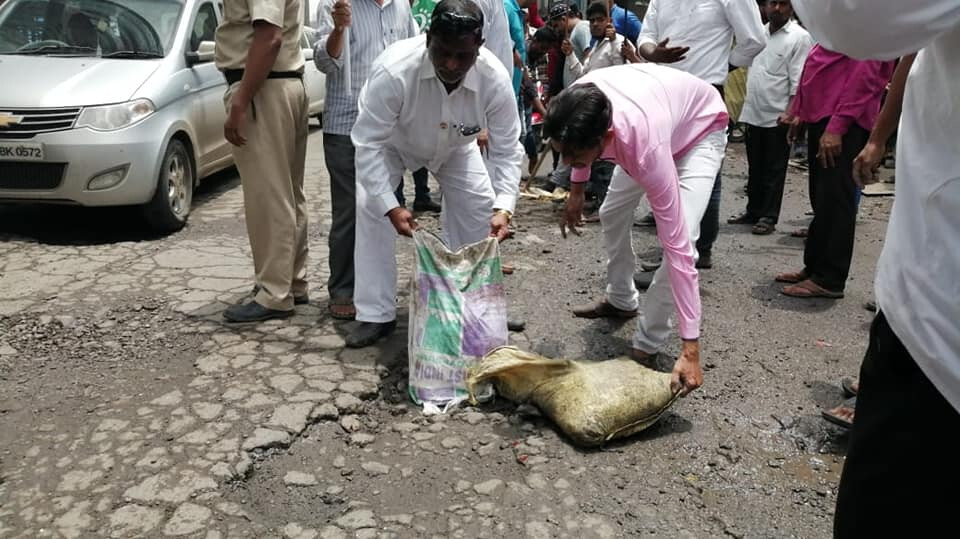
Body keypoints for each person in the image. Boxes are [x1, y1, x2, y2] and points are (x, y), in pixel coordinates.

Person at [789, 2, 959, 536]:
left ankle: (827, 277)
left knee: (837, 208)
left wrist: (854, 130)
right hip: (932, 299)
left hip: (938, 332)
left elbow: (855, 25)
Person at [347, 0, 524, 348]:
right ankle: (374, 314)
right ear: (428, 37)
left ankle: (476, 308)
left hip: (457, 146)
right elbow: (367, 144)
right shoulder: (394, 71)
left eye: (463, 56)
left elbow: (507, 149)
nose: (450, 64)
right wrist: (391, 205)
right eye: (441, 52)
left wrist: (505, 206)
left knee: (479, 209)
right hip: (392, 143)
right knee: (370, 206)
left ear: (480, 47)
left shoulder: (495, 78)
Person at [549, 64, 730, 397]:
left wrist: (691, 347)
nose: (565, 163)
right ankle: (621, 299)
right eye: (563, 155)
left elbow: (677, 251)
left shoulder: (642, 149)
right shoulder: (577, 101)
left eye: (575, 158)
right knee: (612, 211)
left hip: (700, 130)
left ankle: (648, 343)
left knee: (682, 240)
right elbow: (575, 145)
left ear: (606, 139)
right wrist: (576, 189)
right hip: (657, 117)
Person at [636, 0, 765, 268]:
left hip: (704, 91)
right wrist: (654, 54)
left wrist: (721, 65)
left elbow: (754, 40)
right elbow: (645, 38)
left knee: (702, 173)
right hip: (665, 93)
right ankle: (681, 247)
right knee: (666, 171)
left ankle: (697, 247)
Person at [313, 0, 419, 321]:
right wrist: (338, 30)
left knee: (383, 209)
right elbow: (324, 63)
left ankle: (375, 293)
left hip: (390, 127)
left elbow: (413, 55)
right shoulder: (334, 5)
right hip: (346, 124)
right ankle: (343, 288)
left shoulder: (401, 6)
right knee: (348, 212)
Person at [216, 0, 310, 323]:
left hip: (263, 88)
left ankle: (274, 293)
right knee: (288, 193)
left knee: (269, 196)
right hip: (281, 83)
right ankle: (291, 281)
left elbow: (269, 37)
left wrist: (240, 102)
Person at [775, 45, 894, 299]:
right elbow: (819, 66)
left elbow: (865, 78)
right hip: (824, 118)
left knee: (837, 199)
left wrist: (838, 126)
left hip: (843, 123)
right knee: (822, 197)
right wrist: (800, 114)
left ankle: (829, 278)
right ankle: (815, 267)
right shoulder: (838, 24)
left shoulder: (865, 24)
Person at [730, 0, 812, 235]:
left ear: (791, 8)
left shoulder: (799, 37)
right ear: (764, 6)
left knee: (774, 168)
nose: (777, 9)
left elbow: (798, 80)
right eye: (772, 3)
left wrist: (792, 112)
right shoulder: (758, 34)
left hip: (779, 115)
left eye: (783, 4)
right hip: (754, 111)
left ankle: (768, 216)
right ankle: (753, 210)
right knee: (755, 165)